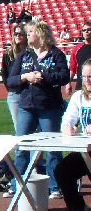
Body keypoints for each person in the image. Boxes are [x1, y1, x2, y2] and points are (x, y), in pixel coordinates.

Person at [7, 21, 70, 199]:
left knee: (52, 148)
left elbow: (64, 76)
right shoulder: (24, 55)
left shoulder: (56, 54)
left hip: (49, 107)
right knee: (21, 146)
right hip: (26, 107)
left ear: (41, 33)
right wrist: (25, 77)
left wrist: (44, 76)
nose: (27, 35)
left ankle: (55, 186)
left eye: (30, 32)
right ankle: (17, 184)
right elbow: (10, 81)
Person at [55, 59, 91, 211]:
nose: (87, 80)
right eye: (84, 76)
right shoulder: (78, 97)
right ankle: (78, 209)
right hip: (86, 151)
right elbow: (67, 119)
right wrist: (67, 128)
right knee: (62, 171)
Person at [1, 24, 28, 131]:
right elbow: (4, 74)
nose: (18, 36)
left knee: (33, 128)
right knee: (19, 129)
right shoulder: (8, 54)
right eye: (16, 34)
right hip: (14, 94)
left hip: (28, 93)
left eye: (20, 34)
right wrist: (10, 89)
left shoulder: (30, 52)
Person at [67, 21, 91, 93]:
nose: (86, 32)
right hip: (81, 87)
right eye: (84, 30)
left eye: (89, 29)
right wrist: (68, 83)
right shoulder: (77, 48)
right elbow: (72, 68)